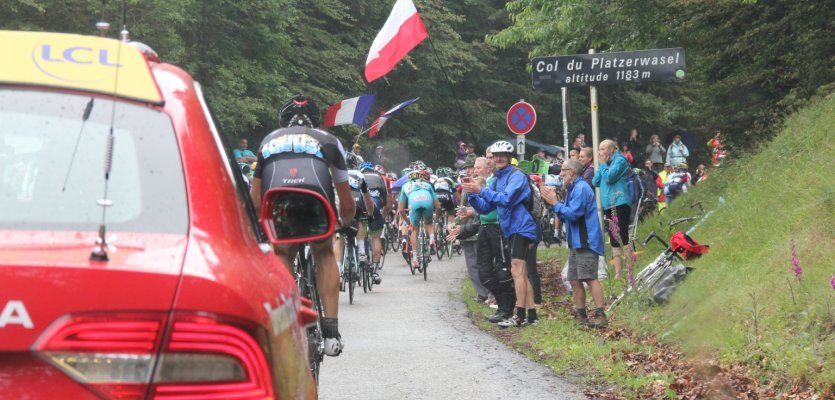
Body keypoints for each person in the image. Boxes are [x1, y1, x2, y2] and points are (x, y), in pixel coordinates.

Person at [250, 95, 354, 357]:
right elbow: (345, 194)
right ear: (316, 120)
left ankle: (285, 326)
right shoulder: (330, 140)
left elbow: (255, 196)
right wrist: (345, 221)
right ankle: (331, 334)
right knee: (325, 252)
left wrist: (259, 226)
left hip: (278, 201)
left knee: (283, 252)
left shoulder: (267, 140)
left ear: (282, 121)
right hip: (316, 200)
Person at [463, 140, 540, 328]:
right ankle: (532, 315)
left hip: (521, 227)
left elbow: (506, 200)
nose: (498, 158)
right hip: (510, 228)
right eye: (495, 156)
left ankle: (520, 315)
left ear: (509, 157)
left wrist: (481, 189)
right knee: (520, 272)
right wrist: (472, 194)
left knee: (517, 270)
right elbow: (486, 207)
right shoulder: (497, 179)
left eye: (502, 155)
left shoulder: (517, 176)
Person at [540, 159, 607, 328]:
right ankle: (581, 315)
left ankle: (600, 315)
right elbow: (565, 215)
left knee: (590, 277)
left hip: (586, 240)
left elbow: (574, 214)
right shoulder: (572, 188)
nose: (561, 173)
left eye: (564, 170)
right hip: (575, 241)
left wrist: (555, 203)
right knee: (575, 280)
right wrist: (553, 205)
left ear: (573, 171)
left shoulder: (582, 188)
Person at [448, 156, 492, 304]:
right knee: (471, 265)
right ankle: (482, 294)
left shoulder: (486, 184)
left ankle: (489, 294)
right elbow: (462, 207)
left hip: (479, 228)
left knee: (483, 264)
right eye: (467, 168)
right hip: (467, 230)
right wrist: (455, 223)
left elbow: (488, 206)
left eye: (473, 167)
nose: (469, 170)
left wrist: (470, 212)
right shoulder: (467, 185)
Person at [591, 139, 634, 280]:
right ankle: (618, 273)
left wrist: (603, 165)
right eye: (599, 149)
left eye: (603, 149)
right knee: (614, 239)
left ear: (612, 149)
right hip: (608, 204)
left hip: (620, 202)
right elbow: (595, 181)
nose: (600, 152)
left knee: (622, 236)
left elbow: (609, 178)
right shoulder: (605, 164)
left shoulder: (620, 160)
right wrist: (601, 166)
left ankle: (629, 270)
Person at [398, 169, 441, 270]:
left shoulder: (405, 186)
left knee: (414, 229)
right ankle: (431, 239)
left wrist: (408, 222)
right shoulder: (428, 185)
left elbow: (401, 209)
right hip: (427, 201)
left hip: (414, 203)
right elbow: (438, 207)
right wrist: (437, 219)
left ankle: (415, 259)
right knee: (429, 222)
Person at [359, 162, 390, 284]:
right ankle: (375, 272)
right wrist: (382, 218)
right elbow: (387, 203)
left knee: (359, 225)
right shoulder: (379, 178)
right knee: (376, 238)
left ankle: (359, 252)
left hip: (360, 204)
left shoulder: (357, 176)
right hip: (375, 206)